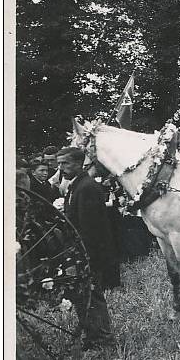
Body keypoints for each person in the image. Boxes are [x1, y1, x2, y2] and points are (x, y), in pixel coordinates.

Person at [56, 147, 120, 349]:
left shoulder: (87, 188)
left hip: (88, 253)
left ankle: (103, 339)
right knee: (84, 297)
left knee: (92, 296)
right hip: (79, 252)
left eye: (65, 163)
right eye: (59, 163)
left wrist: (86, 258)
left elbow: (91, 229)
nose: (60, 168)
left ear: (78, 163)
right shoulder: (76, 185)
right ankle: (92, 336)